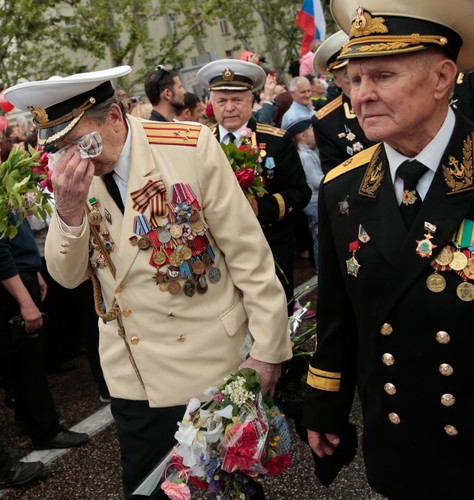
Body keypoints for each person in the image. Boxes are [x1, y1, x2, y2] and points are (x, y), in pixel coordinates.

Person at [4, 66, 291, 498]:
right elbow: (66, 278)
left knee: (226, 488)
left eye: (84, 141)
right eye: (61, 148)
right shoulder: (69, 174)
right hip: (134, 374)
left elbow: (248, 253)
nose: (76, 158)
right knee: (150, 489)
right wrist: (68, 214)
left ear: (115, 117)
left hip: (208, 361)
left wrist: (268, 352)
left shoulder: (189, 147)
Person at [303, 1, 474, 497]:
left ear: (443, 78)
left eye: (381, 76)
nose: (362, 96)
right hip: (399, 445)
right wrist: (324, 406)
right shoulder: (342, 189)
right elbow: (338, 315)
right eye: (354, 80)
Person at [0, 123, 90, 450]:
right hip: (9, 286)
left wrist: (36, 273)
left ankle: (29, 421)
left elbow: (18, 237)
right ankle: (46, 430)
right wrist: (25, 300)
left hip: (24, 273)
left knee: (27, 358)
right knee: (28, 361)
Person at [200, 59, 311, 302]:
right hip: (219, 251)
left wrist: (261, 207)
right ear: (212, 104)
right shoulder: (200, 143)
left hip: (270, 245)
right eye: (222, 100)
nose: (229, 107)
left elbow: (300, 192)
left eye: (237, 100)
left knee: (276, 313)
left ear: (251, 101)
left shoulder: (277, 141)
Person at [311, 30, 374, 173]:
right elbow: (336, 177)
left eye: (360, 73)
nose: (359, 82)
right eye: (348, 75)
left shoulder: (388, 99)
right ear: (336, 81)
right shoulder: (326, 121)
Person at [284, 118, 321, 272]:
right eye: (311, 130)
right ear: (303, 136)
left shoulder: (305, 153)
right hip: (315, 202)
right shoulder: (305, 156)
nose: (315, 133)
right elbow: (316, 181)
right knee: (319, 237)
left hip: (311, 202)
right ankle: (321, 270)